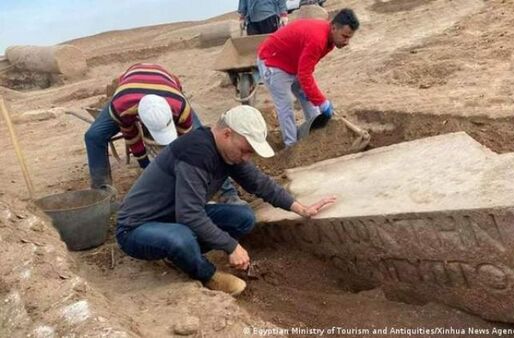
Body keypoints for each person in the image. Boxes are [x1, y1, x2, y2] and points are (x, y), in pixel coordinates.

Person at [116, 105, 336, 296]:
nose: (246, 157)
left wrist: (300, 208)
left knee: (243, 218)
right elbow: (190, 214)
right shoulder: (196, 154)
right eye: (245, 150)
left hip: (174, 218)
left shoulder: (227, 151)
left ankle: (182, 255)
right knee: (181, 238)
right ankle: (208, 275)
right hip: (136, 228)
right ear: (227, 134)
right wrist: (231, 246)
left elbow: (259, 183)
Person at [84, 63, 243, 203]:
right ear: (139, 118)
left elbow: (188, 143)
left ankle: (228, 192)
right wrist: (146, 166)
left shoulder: (180, 107)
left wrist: (185, 175)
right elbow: (132, 136)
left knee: (203, 140)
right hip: (129, 90)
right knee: (93, 137)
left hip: (167, 85)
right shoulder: (122, 108)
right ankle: (103, 195)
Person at [257, 8, 359, 146]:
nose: (347, 42)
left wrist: (314, 97)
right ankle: (291, 147)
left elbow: (306, 70)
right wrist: (323, 102)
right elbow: (305, 74)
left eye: (349, 37)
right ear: (334, 27)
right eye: (345, 36)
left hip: (292, 63)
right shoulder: (318, 39)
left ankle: (317, 134)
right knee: (286, 104)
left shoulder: (329, 39)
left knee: (311, 99)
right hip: (272, 60)